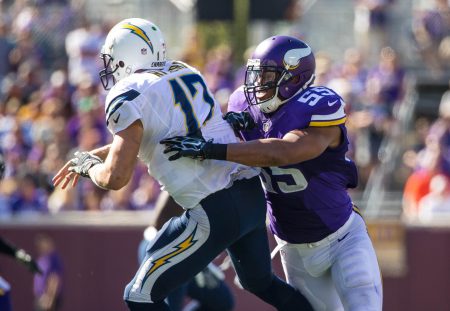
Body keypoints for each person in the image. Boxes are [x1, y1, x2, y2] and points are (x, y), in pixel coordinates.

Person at [52, 18, 313, 311]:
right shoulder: (183, 70)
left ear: (126, 55)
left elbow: (116, 177)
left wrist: (88, 168)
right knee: (261, 283)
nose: (110, 67)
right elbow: (146, 139)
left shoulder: (128, 93)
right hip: (250, 194)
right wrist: (93, 155)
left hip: (215, 209)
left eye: (113, 59)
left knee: (139, 295)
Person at [161, 35, 383, 310]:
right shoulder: (243, 103)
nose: (257, 83)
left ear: (294, 78)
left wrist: (211, 150)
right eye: (255, 74)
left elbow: (284, 151)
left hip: (343, 238)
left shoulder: (318, 106)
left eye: (267, 75)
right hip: (293, 248)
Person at [138, 191, 234, 311]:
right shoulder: (184, 182)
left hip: (186, 253)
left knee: (222, 302)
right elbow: (161, 223)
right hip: (166, 251)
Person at [33, 234, 63, 311]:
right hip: (41, 297)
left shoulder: (52, 259)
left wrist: (50, 298)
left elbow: (54, 279)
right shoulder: (43, 258)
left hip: (47, 298)